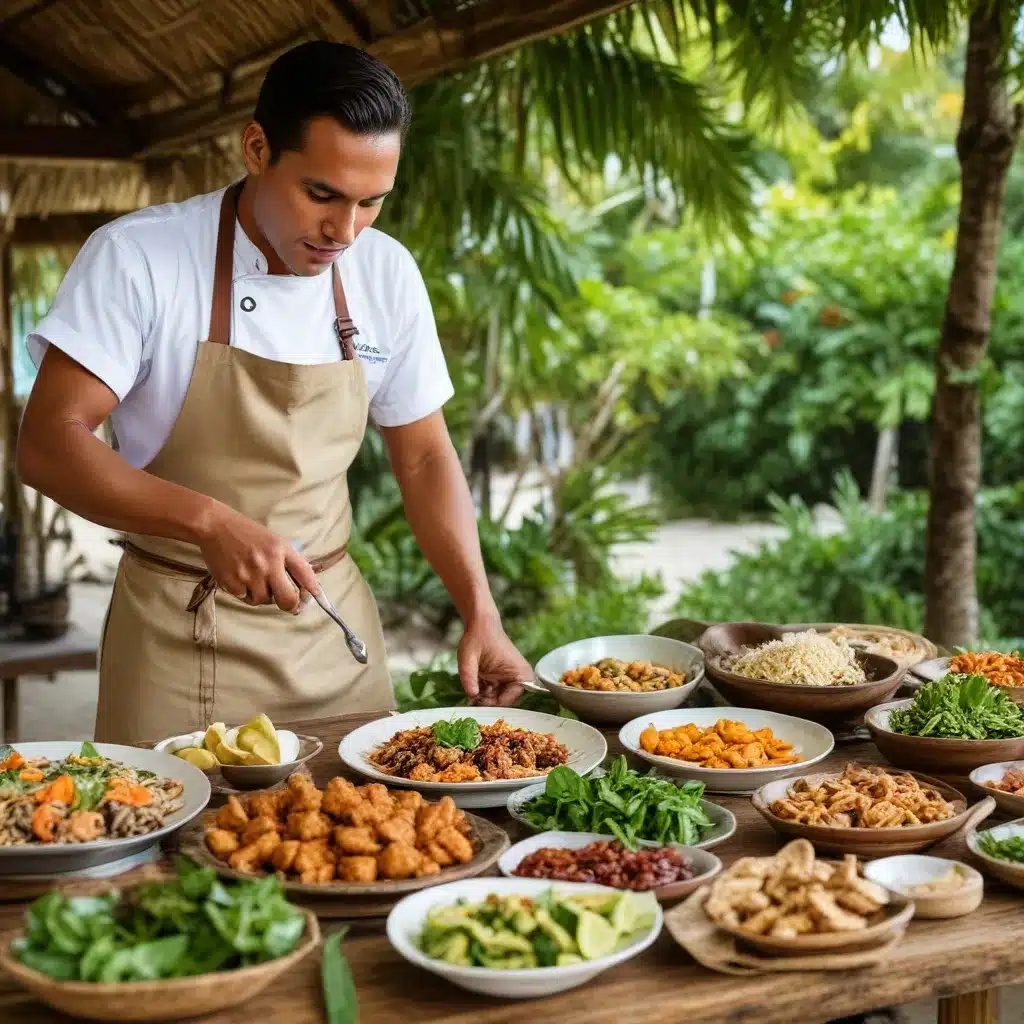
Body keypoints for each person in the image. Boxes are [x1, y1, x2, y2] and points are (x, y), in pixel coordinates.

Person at [17, 41, 532, 743]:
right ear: (256, 148)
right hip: (177, 635)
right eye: (321, 195)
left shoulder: (386, 273)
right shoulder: (138, 258)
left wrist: (481, 611)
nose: (343, 232)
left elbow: (423, 456)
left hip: (334, 642)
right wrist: (210, 522)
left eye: (370, 202)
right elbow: (49, 443)